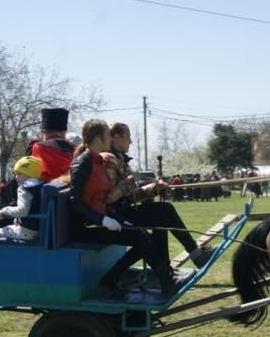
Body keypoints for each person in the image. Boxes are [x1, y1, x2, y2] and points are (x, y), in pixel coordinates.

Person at [66, 119, 190, 295]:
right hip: (85, 227)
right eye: (107, 135)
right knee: (141, 237)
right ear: (98, 138)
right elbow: (75, 202)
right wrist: (103, 220)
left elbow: (104, 197)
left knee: (142, 236)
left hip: (101, 219)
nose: (110, 138)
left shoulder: (99, 161)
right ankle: (166, 280)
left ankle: (111, 279)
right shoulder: (83, 162)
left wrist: (113, 216)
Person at [103, 122, 215, 271]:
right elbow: (110, 197)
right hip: (115, 215)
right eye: (128, 137)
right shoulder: (109, 160)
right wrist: (131, 181)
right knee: (159, 217)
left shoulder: (120, 160)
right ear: (116, 137)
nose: (131, 141)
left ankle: (194, 254)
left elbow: (131, 194)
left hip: (124, 209)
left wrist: (154, 187)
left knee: (166, 207)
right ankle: (165, 270)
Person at [0, 156, 43, 258]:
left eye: (20, 174)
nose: (16, 177)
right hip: (39, 229)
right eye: (16, 174)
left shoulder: (24, 189)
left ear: (30, 174)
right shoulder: (41, 185)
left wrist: (4, 211)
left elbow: (22, 210)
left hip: (27, 232)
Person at [27, 108, 76, 182]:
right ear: (63, 133)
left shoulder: (37, 147)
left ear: (44, 133)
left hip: (44, 186)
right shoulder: (74, 149)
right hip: (69, 186)